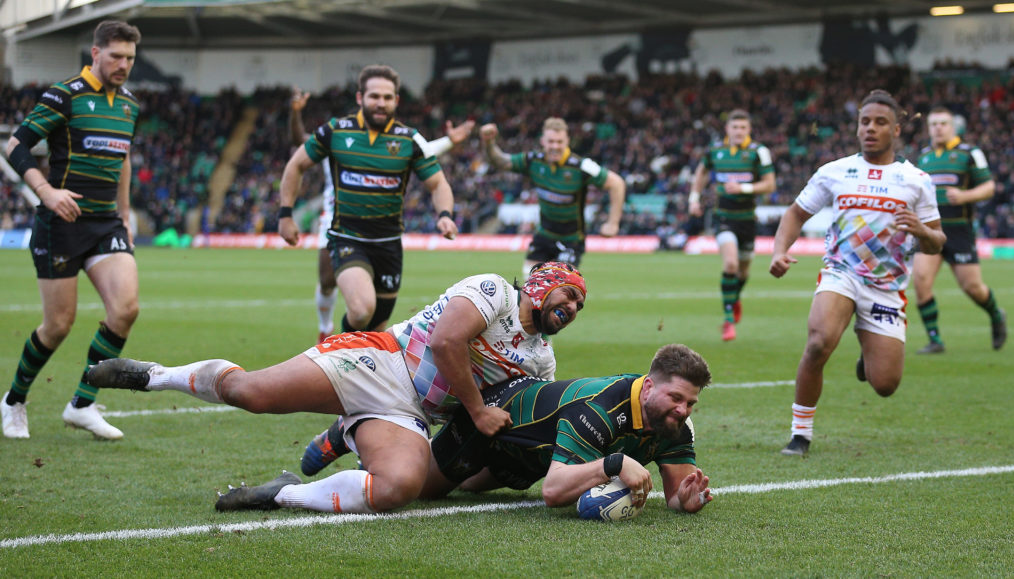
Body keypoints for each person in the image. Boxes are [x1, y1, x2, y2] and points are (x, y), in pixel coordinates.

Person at [85, 262, 587, 514]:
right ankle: (154, 375)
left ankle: (287, 493)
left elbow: (512, 412)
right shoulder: (495, 290)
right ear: (543, 283)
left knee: (398, 490)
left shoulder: (542, 359)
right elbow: (448, 341)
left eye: (579, 308)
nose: (572, 310)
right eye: (569, 296)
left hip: (410, 413)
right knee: (251, 394)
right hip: (380, 361)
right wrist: (478, 412)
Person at [769, 90, 946, 456]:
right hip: (841, 273)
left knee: (885, 384)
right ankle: (800, 434)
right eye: (865, 121)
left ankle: (867, 358)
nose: (871, 128)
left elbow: (937, 241)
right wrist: (779, 251)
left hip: (886, 287)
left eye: (880, 122)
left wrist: (922, 231)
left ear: (896, 129)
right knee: (818, 343)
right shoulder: (834, 172)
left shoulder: (915, 180)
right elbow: (795, 214)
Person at [2, 21, 142, 440]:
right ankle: (13, 401)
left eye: (130, 58)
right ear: (95, 53)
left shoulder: (129, 104)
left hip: (106, 224)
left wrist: (126, 214)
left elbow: (124, 159)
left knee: (125, 309)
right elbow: (16, 146)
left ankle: (82, 404)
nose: (123, 65)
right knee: (58, 325)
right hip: (60, 224)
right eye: (116, 56)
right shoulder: (65, 95)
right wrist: (45, 191)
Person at [420, 343, 714, 514]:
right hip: (494, 426)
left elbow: (678, 492)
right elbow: (553, 491)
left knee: (470, 486)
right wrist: (616, 463)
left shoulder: (675, 424)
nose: (682, 409)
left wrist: (684, 501)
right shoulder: (599, 408)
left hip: (530, 460)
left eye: (690, 403)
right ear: (648, 387)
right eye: (675, 397)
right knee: (418, 488)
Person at [277, 65, 458, 337]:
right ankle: (330, 351)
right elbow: (295, 164)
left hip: (389, 245)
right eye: (374, 96)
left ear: (396, 101)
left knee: (375, 329)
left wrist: (445, 213)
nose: (380, 103)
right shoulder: (336, 131)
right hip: (347, 237)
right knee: (362, 310)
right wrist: (285, 214)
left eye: (387, 97)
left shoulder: (409, 139)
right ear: (360, 98)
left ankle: (346, 368)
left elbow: (438, 183)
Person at [479, 117, 626, 278]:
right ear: (543, 141)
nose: (555, 146)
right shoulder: (533, 161)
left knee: (559, 286)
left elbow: (617, 183)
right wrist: (489, 143)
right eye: (551, 141)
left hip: (571, 239)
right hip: (544, 234)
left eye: (559, 142)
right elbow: (501, 162)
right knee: (531, 284)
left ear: (567, 141)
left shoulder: (580, 166)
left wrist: (613, 223)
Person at [911, 107, 1006, 354]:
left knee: (972, 288)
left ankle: (996, 314)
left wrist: (965, 195)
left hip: (959, 231)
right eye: (933, 124)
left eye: (943, 123)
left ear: (953, 126)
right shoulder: (924, 157)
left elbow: (989, 187)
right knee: (920, 280)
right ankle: (935, 340)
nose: (938, 128)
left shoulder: (970, 153)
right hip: (930, 229)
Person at [689, 109, 776, 342]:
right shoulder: (715, 151)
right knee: (730, 264)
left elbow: (769, 185)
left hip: (747, 219)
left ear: (749, 130)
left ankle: (734, 297)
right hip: (723, 217)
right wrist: (694, 198)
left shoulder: (759, 152)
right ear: (727, 129)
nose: (739, 132)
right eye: (734, 127)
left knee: (743, 271)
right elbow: (701, 172)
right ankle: (728, 320)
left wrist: (744, 188)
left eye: (743, 128)